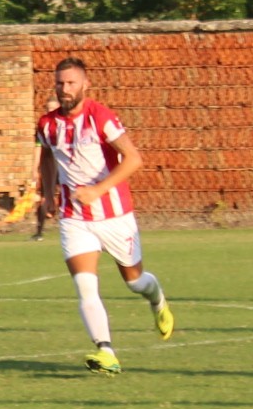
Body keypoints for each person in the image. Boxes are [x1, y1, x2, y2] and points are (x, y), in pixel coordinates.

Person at [33, 56, 173, 373]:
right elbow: (47, 158)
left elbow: (134, 158)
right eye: (60, 83)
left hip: (114, 214)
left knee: (135, 282)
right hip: (74, 216)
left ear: (85, 85)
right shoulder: (47, 124)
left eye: (71, 83)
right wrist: (49, 194)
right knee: (85, 285)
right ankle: (106, 351)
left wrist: (98, 190)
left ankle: (157, 298)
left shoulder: (101, 117)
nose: (64, 88)